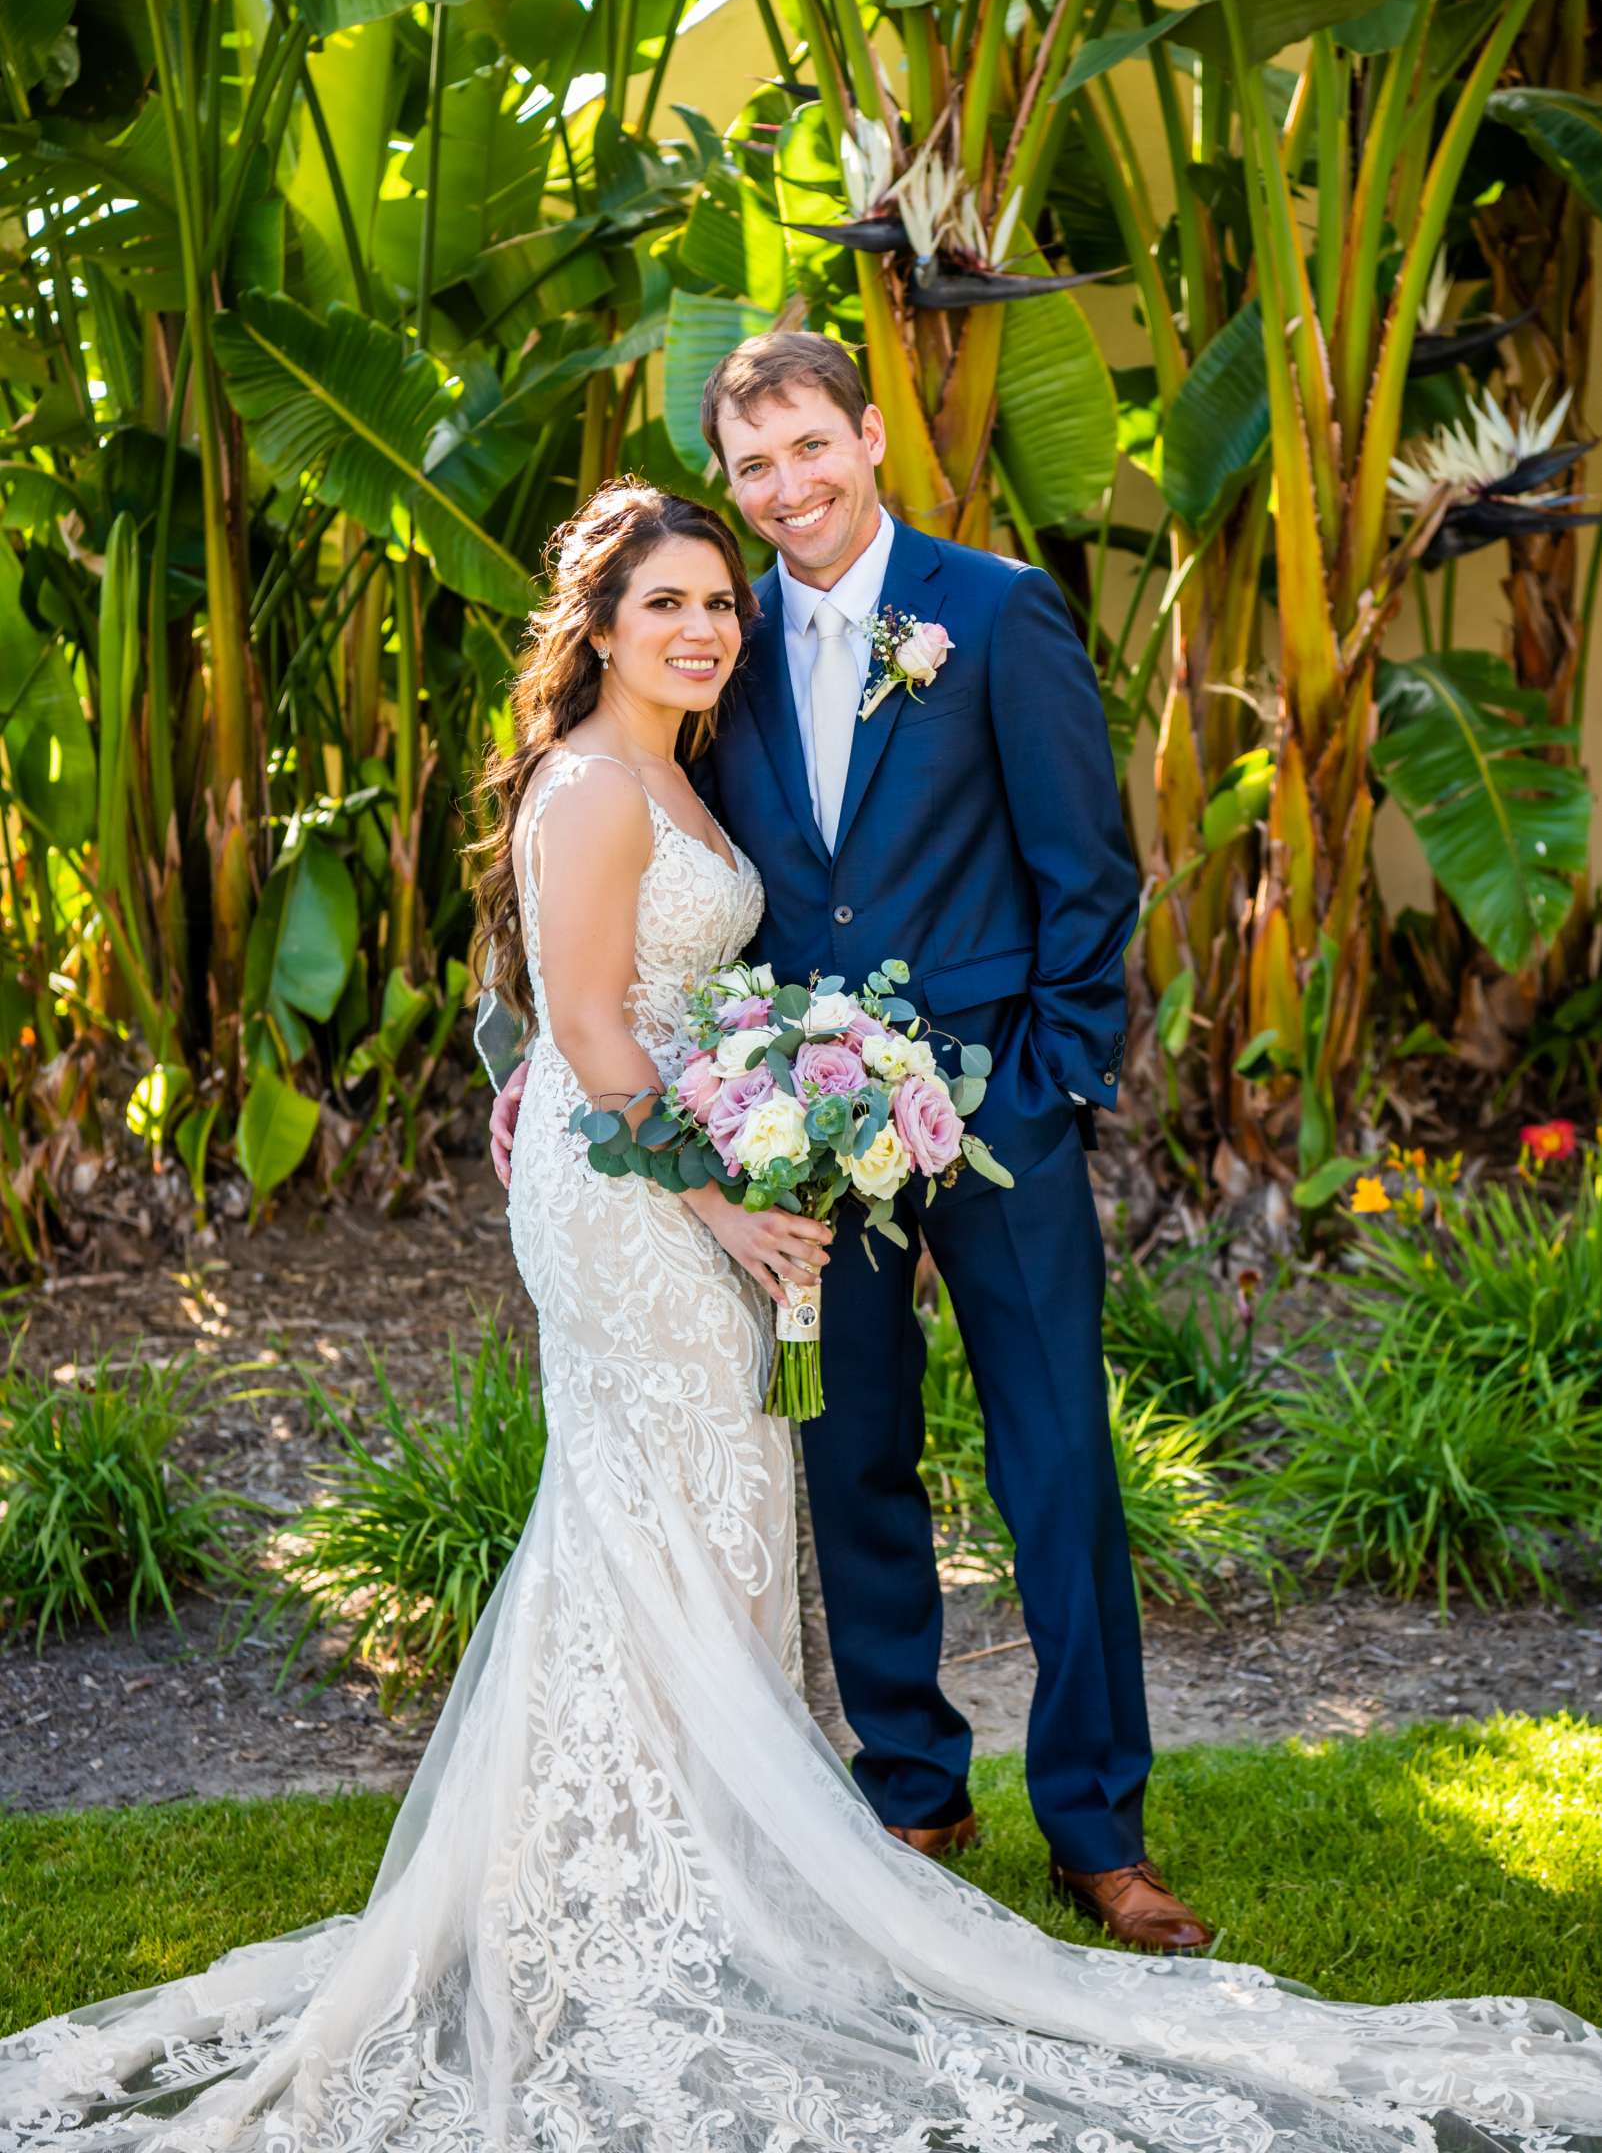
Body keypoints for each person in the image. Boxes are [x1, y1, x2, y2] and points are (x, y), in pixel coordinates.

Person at [4, 479, 1599, 2153]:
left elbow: (578, 996)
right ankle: (633, 1880)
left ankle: (687, 1859)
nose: (701, 627)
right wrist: (709, 1192)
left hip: (694, 1168)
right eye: (664, 604)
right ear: (599, 626)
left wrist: (672, 1102)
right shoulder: (592, 785)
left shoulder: (681, 766)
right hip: (641, 1199)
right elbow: (596, 1028)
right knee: (655, 1509)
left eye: (716, 602)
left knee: (710, 1511)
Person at [493, 334, 1197, 1951]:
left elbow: (1087, 871)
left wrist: (1052, 1078)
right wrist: (539, 1052)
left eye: (811, 447)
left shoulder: (993, 610)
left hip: (996, 1110)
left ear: (868, 436)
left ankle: (1099, 1827)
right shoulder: (711, 646)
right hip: (799, 1134)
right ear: (730, 484)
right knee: (850, 1454)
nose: (788, 488)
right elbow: (610, 875)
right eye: (755, 466)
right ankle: (908, 1793)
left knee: (1055, 1467)